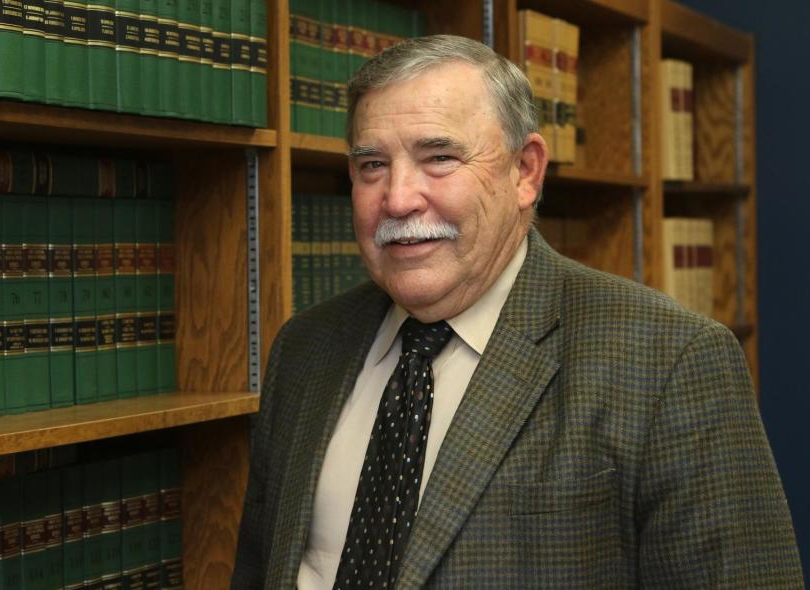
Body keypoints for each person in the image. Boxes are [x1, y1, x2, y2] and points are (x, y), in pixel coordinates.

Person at [233, 35, 802, 589]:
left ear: (525, 171)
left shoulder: (669, 362)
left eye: (439, 158)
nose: (399, 198)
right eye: (371, 166)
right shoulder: (304, 348)